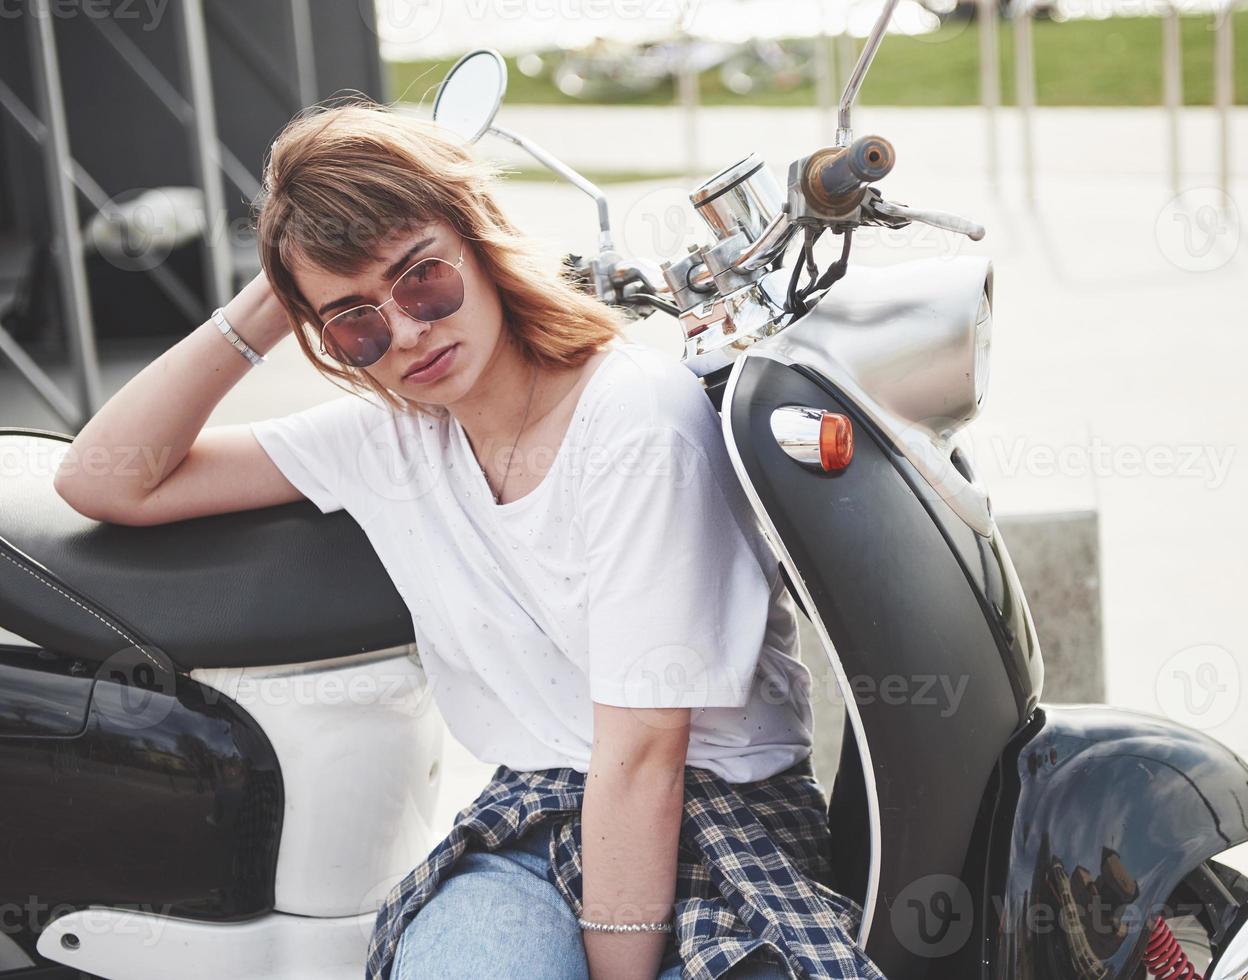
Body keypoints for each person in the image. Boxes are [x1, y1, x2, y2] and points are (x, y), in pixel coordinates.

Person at [51, 99, 883, 980]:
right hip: (523, 828)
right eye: (355, 322)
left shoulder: (635, 418)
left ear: (480, 243)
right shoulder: (391, 437)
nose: (406, 332)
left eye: (422, 279)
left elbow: (644, 757)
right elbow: (104, 478)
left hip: (720, 824)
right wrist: (276, 291)